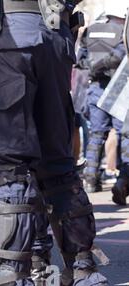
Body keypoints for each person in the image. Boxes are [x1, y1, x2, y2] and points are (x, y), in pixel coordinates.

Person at [0, 0, 107, 286]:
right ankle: (83, 272)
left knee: (8, 165)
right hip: (54, 37)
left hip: (4, 39)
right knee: (58, 164)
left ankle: (13, 283)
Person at [77, 8, 127, 193]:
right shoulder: (122, 31)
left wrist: (94, 67)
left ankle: (90, 180)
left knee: (96, 135)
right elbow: (121, 56)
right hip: (120, 88)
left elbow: (79, 60)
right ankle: (123, 182)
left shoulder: (91, 31)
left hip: (96, 87)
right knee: (124, 136)